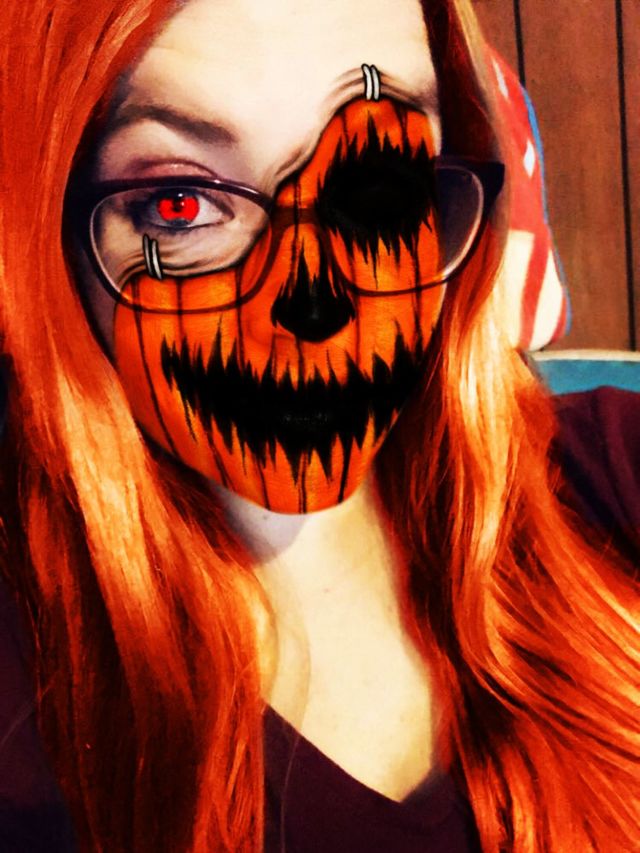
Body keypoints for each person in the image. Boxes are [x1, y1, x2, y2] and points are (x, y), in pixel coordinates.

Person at [0, 0, 638, 851]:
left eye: (379, 184)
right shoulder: (30, 709)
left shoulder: (607, 475)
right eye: (180, 203)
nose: (311, 303)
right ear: (46, 238)